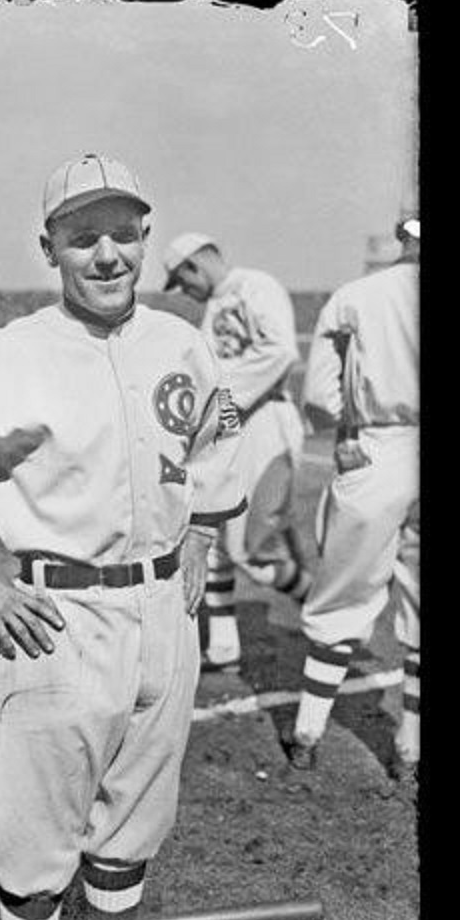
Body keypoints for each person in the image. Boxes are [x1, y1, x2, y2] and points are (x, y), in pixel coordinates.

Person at [0, 153, 246, 920]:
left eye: (124, 236)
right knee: (31, 855)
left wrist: (201, 531)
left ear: (145, 238)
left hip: (163, 618)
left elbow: (218, 442)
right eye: (82, 237)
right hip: (52, 623)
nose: (108, 255)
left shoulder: (183, 343)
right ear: (49, 248)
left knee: (131, 832)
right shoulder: (0, 356)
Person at [282, 215, 419, 780]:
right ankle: (410, 749)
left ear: (404, 236)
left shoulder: (359, 294)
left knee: (341, 598)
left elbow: (318, 394)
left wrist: (342, 434)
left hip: (378, 448)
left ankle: (309, 732)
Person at [163, 234, 312, 672]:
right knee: (211, 531)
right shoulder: (212, 309)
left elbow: (281, 351)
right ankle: (224, 648)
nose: (184, 291)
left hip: (265, 420)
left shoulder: (256, 286)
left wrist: (222, 393)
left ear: (195, 265)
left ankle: (321, 605)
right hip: (236, 424)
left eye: (181, 280)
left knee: (251, 549)